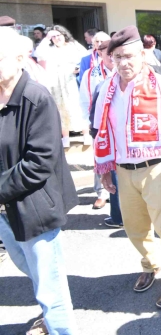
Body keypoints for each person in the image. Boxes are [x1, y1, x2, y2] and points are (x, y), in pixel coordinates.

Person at [94, 26, 161, 308]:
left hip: (158, 168)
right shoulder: (107, 89)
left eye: (129, 56)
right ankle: (150, 264)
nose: (123, 62)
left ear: (142, 55)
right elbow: (101, 131)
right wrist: (103, 169)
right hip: (123, 170)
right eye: (117, 57)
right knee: (135, 228)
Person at [0, 27, 78, 334]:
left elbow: (38, 163)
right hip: (7, 208)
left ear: (20, 59)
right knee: (29, 267)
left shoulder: (36, 98)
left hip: (34, 208)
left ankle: (59, 327)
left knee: (50, 289)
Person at [37, 25, 89, 148]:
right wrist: (46, 38)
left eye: (58, 35)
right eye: (53, 36)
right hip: (57, 84)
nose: (57, 38)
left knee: (78, 106)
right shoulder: (50, 49)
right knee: (61, 109)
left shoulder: (74, 46)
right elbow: (39, 53)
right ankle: (65, 137)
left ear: (64, 35)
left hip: (72, 82)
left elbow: (86, 59)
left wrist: (79, 68)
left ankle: (86, 134)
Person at [89, 40, 123, 228]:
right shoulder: (96, 78)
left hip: (127, 144)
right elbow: (90, 108)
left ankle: (121, 216)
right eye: (106, 53)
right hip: (111, 141)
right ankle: (118, 216)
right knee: (114, 178)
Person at [80, 31, 113, 210]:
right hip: (99, 125)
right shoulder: (90, 74)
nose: (111, 56)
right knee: (100, 157)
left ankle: (120, 193)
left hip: (120, 124)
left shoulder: (122, 72)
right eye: (103, 49)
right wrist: (90, 123)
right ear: (99, 53)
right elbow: (85, 100)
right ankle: (101, 193)